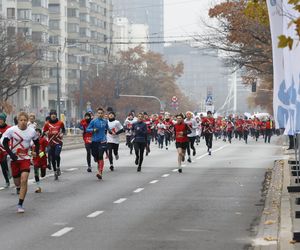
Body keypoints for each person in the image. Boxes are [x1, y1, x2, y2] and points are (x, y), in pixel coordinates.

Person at [1, 111, 39, 213]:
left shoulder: (31, 131)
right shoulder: (11, 130)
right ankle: (17, 186)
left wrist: (36, 152)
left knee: (24, 180)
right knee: (17, 182)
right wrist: (11, 154)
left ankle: (20, 204)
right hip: (14, 159)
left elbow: (36, 142)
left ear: (27, 121)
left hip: (25, 158)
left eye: (25, 120)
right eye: (21, 120)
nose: (23, 122)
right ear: (18, 121)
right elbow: (4, 142)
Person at [86, 107, 110, 179]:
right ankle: (97, 161)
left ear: (103, 114)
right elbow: (87, 130)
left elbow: (107, 128)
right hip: (94, 141)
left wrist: (111, 131)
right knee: (95, 155)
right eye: (99, 113)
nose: (100, 114)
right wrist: (93, 130)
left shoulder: (105, 121)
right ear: (97, 114)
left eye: (101, 113)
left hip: (102, 141)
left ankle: (100, 172)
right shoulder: (93, 121)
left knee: (100, 156)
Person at [43, 110, 65, 180]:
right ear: (50, 115)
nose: (53, 115)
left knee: (57, 155)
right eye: (52, 114)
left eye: (54, 114)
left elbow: (63, 130)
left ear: (56, 115)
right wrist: (46, 133)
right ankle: (55, 171)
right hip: (51, 142)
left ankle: (58, 167)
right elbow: (44, 132)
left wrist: (62, 133)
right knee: (52, 157)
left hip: (58, 142)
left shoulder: (60, 123)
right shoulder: (47, 124)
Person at [32, 128, 48, 193]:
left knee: (43, 174)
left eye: (38, 132)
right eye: (35, 133)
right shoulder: (31, 141)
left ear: (40, 133)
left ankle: (44, 170)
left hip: (43, 160)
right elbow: (29, 149)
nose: (36, 134)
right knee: (36, 174)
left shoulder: (43, 140)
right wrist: (31, 153)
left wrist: (41, 154)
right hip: (35, 160)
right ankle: (38, 187)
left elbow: (47, 149)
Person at [0, 113, 11, 188]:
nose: (0, 121)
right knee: (3, 166)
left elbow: (12, 138)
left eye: (1, 119)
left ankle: (8, 175)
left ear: (4, 120)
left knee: (4, 163)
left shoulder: (9, 128)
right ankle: (7, 179)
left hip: (6, 149)